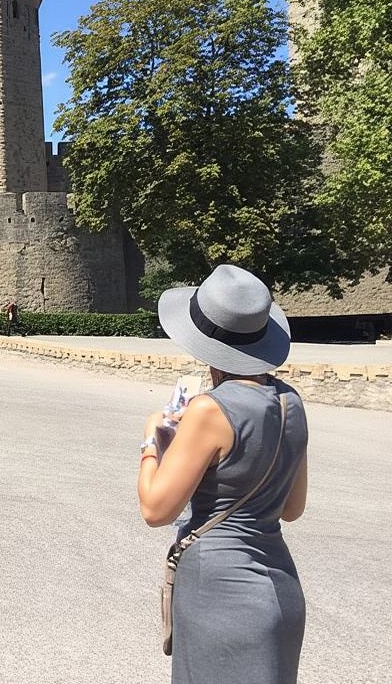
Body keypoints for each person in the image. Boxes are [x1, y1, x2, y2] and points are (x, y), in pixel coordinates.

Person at [138, 264, 308, 684]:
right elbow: (292, 508)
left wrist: (151, 442)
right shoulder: (292, 402)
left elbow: (155, 508)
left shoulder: (208, 409)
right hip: (280, 586)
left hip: (220, 590)